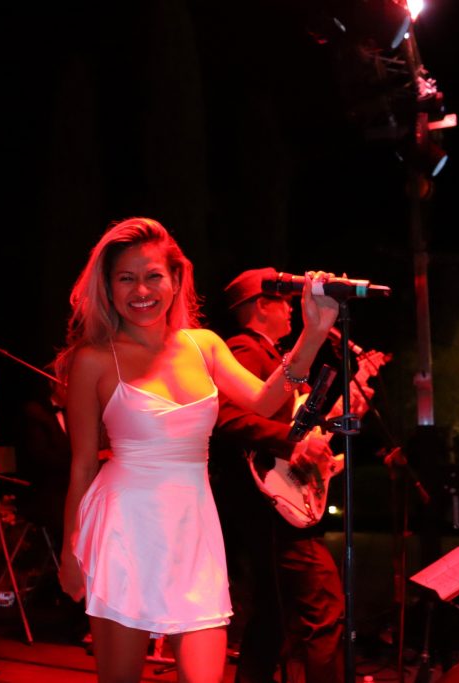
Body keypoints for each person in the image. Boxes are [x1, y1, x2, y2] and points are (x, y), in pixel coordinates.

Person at [56, 219, 338, 683]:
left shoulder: (203, 346)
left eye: (153, 276)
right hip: (123, 529)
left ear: (175, 279)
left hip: (194, 527)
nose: (141, 290)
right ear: (108, 286)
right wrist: (71, 551)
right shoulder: (94, 360)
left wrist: (312, 335)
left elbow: (265, 401)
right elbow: (83, 466)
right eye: (126, 278)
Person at [209, 267, 351, 683]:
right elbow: (228, 418)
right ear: (261, 306)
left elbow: (285, 420)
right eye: (285, 302)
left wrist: (320, 432)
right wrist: (294, 444)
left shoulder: (268, 353)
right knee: (323, 605)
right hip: (267, 503)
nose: (291, 310)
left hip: (273, 501)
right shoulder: (245, 349)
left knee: (274, 614)